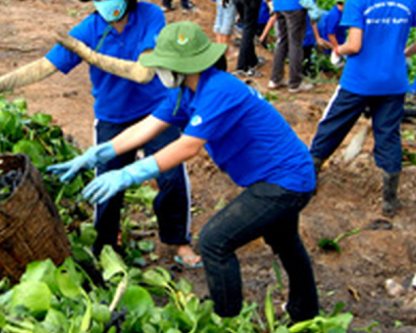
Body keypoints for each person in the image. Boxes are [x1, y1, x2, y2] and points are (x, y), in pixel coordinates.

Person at [50, 21, 319, 322]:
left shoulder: (219, 90)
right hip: (276, 177)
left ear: (182, 65)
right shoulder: (184, 93)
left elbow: (187, 148)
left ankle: (225, 319)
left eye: (162, 64)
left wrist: (129, 174)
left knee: (215, 241)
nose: (158, 71)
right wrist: (99, 153)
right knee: (285, 240)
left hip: (285, 181)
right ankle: (304, 311)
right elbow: (147, 127)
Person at [0, 0, 198, 266]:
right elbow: (42, 68)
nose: (102, 1)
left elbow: (143, 73)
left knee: (172, 175)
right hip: (113, 115)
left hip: (157, 110)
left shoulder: (151, 16)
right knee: (107, 184)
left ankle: (179, 242)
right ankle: (106, 248)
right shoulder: (88, 29)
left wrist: (87, 55)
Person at [310, 0, 416, 216]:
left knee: (333, 125)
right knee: (388, 134)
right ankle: (389, 200)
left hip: (360, 80)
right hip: (394, 81)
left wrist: (337, 50)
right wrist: (404, 52)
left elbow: (354, 45)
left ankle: (310, 176)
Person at [315, 0, 349, 68]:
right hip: (331, 44)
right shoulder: (334, 16)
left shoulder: (343, 13)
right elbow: (331, 35)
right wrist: (337, 49)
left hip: (340, 40)